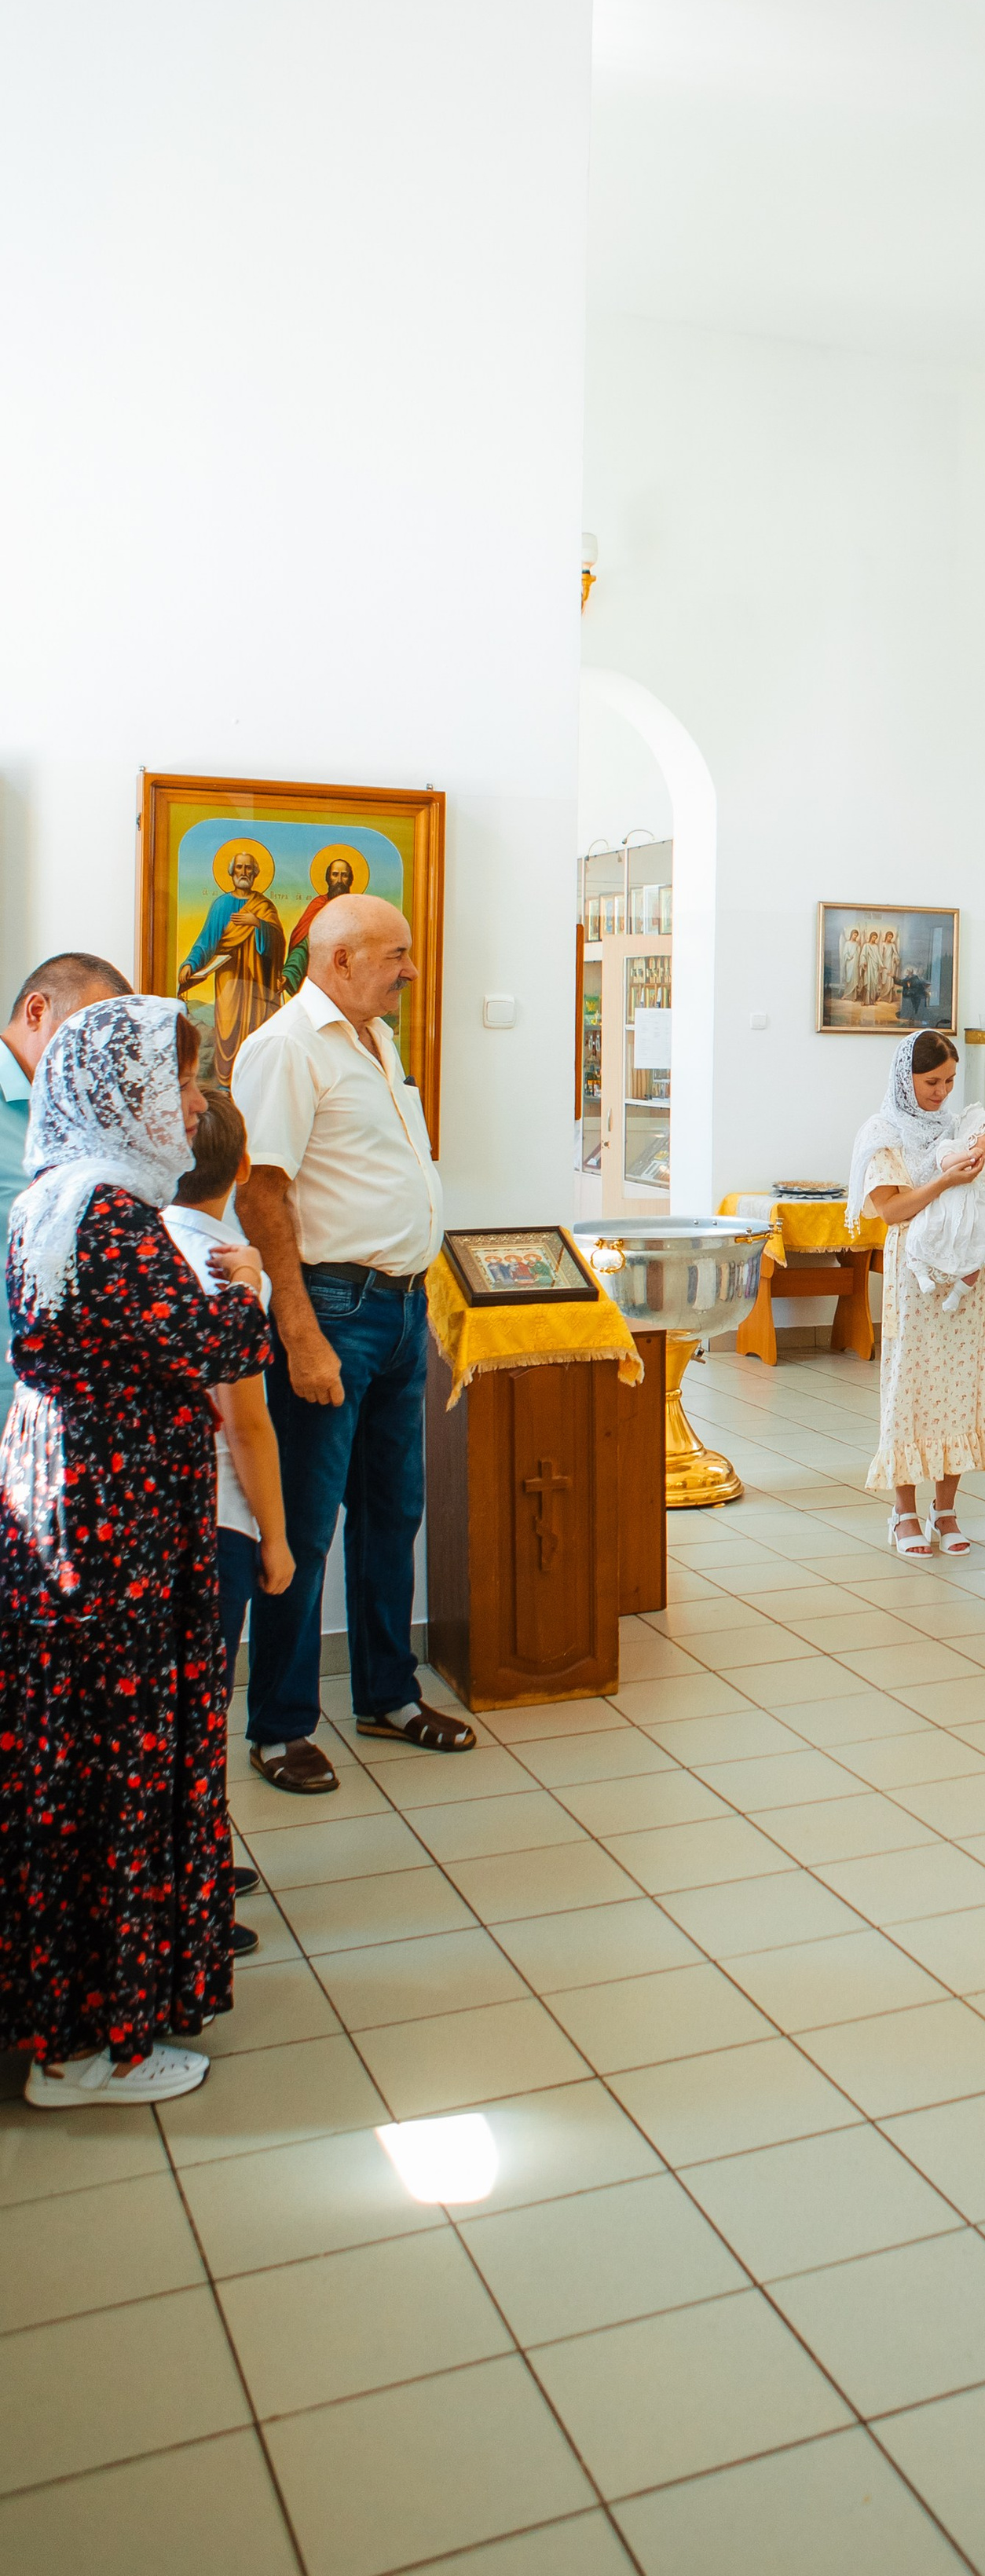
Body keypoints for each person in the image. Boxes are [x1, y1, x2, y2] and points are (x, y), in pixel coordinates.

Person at [1, 997, 270, 2104]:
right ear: (124, 1095)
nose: (196, 1106)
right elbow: (214, 1342)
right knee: (114, 1752)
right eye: (182, 1082)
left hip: (74, 1499)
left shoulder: (52, 1198)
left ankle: (74, 2011)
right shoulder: (110, 1217)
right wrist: (250, 1287)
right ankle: (88, 2043)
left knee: (74, 1748)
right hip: (115, 1523)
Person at [233, 893, 471, 1792]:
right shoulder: (287, 1048)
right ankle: (280, 1726)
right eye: (395, 955)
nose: (411, 969)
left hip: (401, 1309)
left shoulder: (375, 1038)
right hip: (329, 1310)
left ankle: (387, 1695)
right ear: (338, 960)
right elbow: (260, 1192)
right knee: (301, 1523)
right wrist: (297, 1330)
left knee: (391, 1511)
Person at [162, 1089, 297, 1947]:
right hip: (215, 1516)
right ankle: (192, 1893)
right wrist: (277, 1538)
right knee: (198, 1709)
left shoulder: (146, 1240)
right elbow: (248, 1426)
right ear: (244, 1168)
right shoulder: (226, 1268)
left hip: (159, 1514)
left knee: (182, 1707)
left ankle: (198, 1860)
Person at [850, 1031, 985, 1557]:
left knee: (960, 1387)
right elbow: (891, 1210)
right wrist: (945, 1181)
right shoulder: (883, 1132)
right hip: (914, 1273)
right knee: (912, 1386)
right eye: (931, 1082)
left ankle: (946, 1510)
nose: (942, 1092)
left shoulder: (960, 1127)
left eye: (950, 1081)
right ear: (905, 1079)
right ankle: (903, 1512)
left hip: (966, 1267)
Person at [1, 953, 132, 1414]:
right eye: (86, 1033)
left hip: (54, 1400)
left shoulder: (87, 1114)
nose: (96, 1056)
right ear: (37, 1011)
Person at [178, 846, 287, 1079]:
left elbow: (278, 942)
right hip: (228, 977)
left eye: (249, 868)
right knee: (228, 1030)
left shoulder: (264, 906)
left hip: (258, 980)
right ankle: (225, 1082)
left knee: (256, 1028)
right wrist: (190, 964)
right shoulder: (221, 905)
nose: (244, 872)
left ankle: (254, 1078)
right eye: (239, 867)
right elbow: (206, 942)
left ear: (256, 873)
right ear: (231, 872)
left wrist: (258, 923)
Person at [906, 1108, 985, 1301]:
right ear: (972, 1130)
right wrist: (969, 1155)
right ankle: (922, 1274)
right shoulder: (955, 1147)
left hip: (974, 1219)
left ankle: (956, 1295)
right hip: (948, 1209)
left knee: (977, 1256)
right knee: (925, 1232)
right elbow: (946, 1164)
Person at [282, 853, 356, 993]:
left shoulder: (358, 909)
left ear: (350, 879)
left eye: (344, 875)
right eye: (335, 875)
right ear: (328, 879)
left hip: (349, 977)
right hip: (321, 978)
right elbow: (303, 948)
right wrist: (288, 974)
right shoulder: (318, 906)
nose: (339, 880)